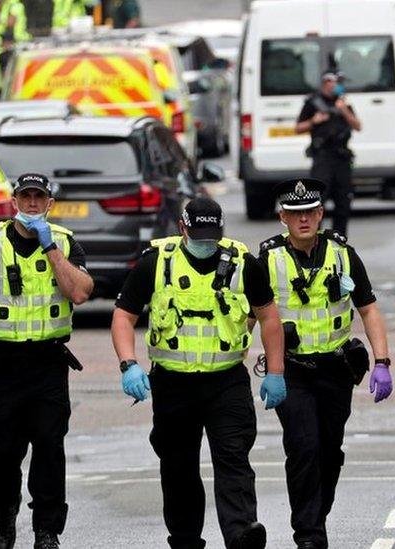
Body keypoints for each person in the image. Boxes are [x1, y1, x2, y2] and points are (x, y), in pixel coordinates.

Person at [111, 195, 285, 549]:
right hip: (173, 383)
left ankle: (241, 533)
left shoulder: (243, 264)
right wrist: (129, 364)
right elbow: (123, 316)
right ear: (182, 228)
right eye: (199, 235)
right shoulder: (156, 264)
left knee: (233, 457)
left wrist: (276, 371)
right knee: (178, 466)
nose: (207, 243)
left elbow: (268, 317)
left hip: (226, 382)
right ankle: (185, 537)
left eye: (212, 237)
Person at [0, 173, 94, 549]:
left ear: (49, 203)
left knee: (49, 447)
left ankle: (47, 529)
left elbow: (79, 292)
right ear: (15, 200)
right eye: (25, 196)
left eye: (39, 197)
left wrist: (51, 249)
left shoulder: (63, 242)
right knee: (0, 453)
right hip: (1, 367)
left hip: (47, 365)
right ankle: (4, 510)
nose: (32, 203)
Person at [260, 178, 393, 549]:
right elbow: (248, 317)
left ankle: (315, 516)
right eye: (294, 213)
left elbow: (368, 309)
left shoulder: (342, 254)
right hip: (292, 370)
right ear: (282, 217)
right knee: (303, 446)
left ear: (320, 214)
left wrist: (382, 361)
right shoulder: (268, 260)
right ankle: (309, 535)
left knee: (329, 452)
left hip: (336, 369)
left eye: (310, 212)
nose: (303, 219)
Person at [295, 71, 361, 237]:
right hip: (322, 157)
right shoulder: (313, 103)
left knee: (343, 202)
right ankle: (314, 240)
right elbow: (297, 128)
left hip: (342, 158)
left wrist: (344, 110)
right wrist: (313, 121)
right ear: (325, 83)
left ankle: (339, 239)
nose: (334, 85)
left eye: (336, 82)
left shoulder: (343, 103)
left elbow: (357, 125)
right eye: (331, 82)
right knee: (317, 201)